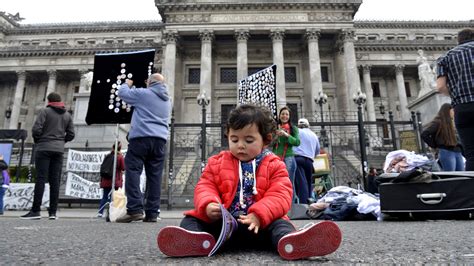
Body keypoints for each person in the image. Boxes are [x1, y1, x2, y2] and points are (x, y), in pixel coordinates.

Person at [157, 104, 341, 260]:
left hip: (260, 227)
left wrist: (260, 214)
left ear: (266, 140)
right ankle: (198, 241)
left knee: (280, 225)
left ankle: (293, 242)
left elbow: (281, 195)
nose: (240, 145)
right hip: (224, 227)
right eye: (234, 139)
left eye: (249, 140)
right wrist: (208, 204)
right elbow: (205, 185)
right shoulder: (217, 162)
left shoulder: (274, 165)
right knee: (191, 219)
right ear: (227, 136)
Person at [115, 73, 171, 223]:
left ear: (150, 83)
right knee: (155, 176)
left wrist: (127, 83)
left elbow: (122, 93)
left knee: (133, 170)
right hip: (160, 140)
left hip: (141, 138)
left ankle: (134, 209)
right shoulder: (167, 100)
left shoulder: (143, 94)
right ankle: (152, 212)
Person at [20, 92, 75, 220]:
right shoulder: (67, 115)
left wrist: (39, 140)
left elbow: (36, 130)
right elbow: (71, 134)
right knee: (55, 180)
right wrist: (61, 141)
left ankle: (35, 211)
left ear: (49, 101)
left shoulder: (45, 112)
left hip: (44, 148)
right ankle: (53, 212)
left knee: (40, 178)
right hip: (59, 150)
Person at [436, 28, 474, 170]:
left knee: (471, 154)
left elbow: (440, 87)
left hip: (462, 108)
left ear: (458, 40)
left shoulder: (445, 57)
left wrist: (456, 95)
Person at [421, 103, 465, 171]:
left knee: (463, 176)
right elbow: (424, 134)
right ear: (448, 111)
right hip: (447, 152)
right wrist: (434, 145)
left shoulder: (452, 122)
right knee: (451, 177)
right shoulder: (438, 122)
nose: (454, 112)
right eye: (452, 110)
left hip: (458, 152)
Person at [271, 106, 300, 202]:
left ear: (289, 116)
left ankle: (291, 205)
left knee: (289, 182)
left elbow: (297, 142)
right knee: (276, 182)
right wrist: (275, 137)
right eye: (283, 114)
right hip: (276, 158)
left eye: (287, 114)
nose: (284, 116)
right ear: (279, 116)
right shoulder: (275, 128)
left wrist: (286, 135)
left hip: (288, 158)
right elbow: (270, 143)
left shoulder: (293, 128)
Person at [293, 118, 320, 204]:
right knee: (308, 182)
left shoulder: (296, 131)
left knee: (301, 182)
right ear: (308, 125)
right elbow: (317, 151)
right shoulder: (314, 135)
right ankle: (309, 201)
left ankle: (303, 204)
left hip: (298, 159)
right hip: (309, 161)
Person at [97, 142, 125, 217]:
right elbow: (123, 168)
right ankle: (111, 213)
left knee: (105, 196)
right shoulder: (120, 157)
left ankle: (100, 212)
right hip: (115, 180)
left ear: (112, 147)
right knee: (114, 197)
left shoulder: (107, 156)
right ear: (120, 148)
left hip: (106, 180)